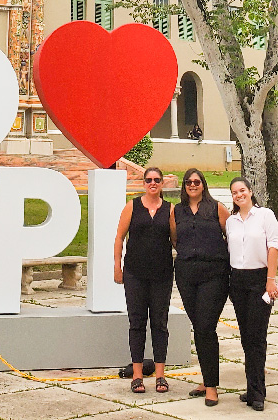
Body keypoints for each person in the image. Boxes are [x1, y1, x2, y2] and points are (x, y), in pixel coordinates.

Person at [114, 167, 176, 394]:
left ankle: (160, 376)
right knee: (137, 323)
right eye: (149, 180)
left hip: (161, 275)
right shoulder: (132, 207)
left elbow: (176, 240)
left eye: (157, 180)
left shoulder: (170, 210)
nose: (153, 183)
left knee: (160, 324)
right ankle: (138, 375)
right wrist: (117, 267)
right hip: (134, 274)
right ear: (143, 183)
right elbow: (120, 237)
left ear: (162, 184)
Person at [173, 169, 230, 407]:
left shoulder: (217, 208)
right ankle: (207, 380)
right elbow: (175, 239)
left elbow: (232, 237)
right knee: (198, 328)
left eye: (196, 182)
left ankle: (212, 388)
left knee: (206, 327)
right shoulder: (177, 211)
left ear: (203, 185)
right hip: (186, 275)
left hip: (214, 276)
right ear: (184, 186)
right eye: (188, 182)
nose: (192, 185)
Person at [226, 177, 278, 412]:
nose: (239, 195)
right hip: (237, 281)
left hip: (260, 280)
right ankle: (250, 388)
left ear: (250, 191)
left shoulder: (266, 215)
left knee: (257, 338)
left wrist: (270, 281)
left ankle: (258, 393)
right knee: (246, 337)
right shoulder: (231, 221)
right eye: (234, 192)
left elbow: (273, 247)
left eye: (242, 190)